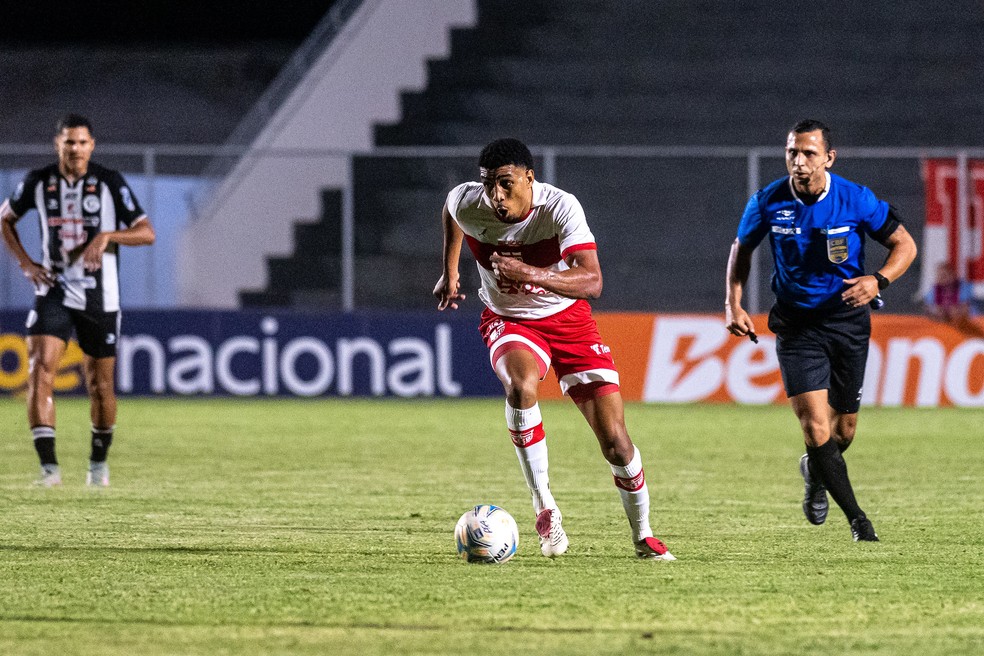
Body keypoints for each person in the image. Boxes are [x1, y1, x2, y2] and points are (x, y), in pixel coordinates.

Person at [433, 138, 675, 560]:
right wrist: (450, 271)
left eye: (505, 184)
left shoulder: (560, 208)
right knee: (521, 385)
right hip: (509, 319)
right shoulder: (468, 201)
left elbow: (593, 282)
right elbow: (452, 212)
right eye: (489, 184)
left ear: (530, 177)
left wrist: (528, 271)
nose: (496, 196)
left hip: (569, 320)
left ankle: (643, 535)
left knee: (616, 442)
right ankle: (545, 507)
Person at [725, 119, 917, 542]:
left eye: (809, 153)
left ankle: (815, 472)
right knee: (815, 427)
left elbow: (906, 245)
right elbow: (742, 249)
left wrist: (878, 280)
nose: (799, 161)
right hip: (796, 326)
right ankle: (859, 521)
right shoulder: (768, 201)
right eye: (793, 152)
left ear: (828, 158)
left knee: (843, 431)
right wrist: (733, 303)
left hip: (847, 322)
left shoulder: (855, 199)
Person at [0, 114, 155, 487]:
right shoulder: (38, 181)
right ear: (58, 145)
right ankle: (49, 470)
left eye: (82, 142)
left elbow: (146, 233)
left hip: (101, 295)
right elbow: (5, 219)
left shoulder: (109, 182)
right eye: (69, 142)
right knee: (40, 371)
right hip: (52, 290)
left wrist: (106, 237)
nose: (75, 149)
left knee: (100, 385)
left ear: (92, 145)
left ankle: (98, 465)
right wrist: (26, 264)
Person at [923, 261, 984, 338]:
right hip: (945, 321)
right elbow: (928, 308)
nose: (942, 278)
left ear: (953, 275)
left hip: (969, 322)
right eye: (939, 276)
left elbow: (965, 308)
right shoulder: (934, 290)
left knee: (955, 311)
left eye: (944, 275)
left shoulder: (964, 287)